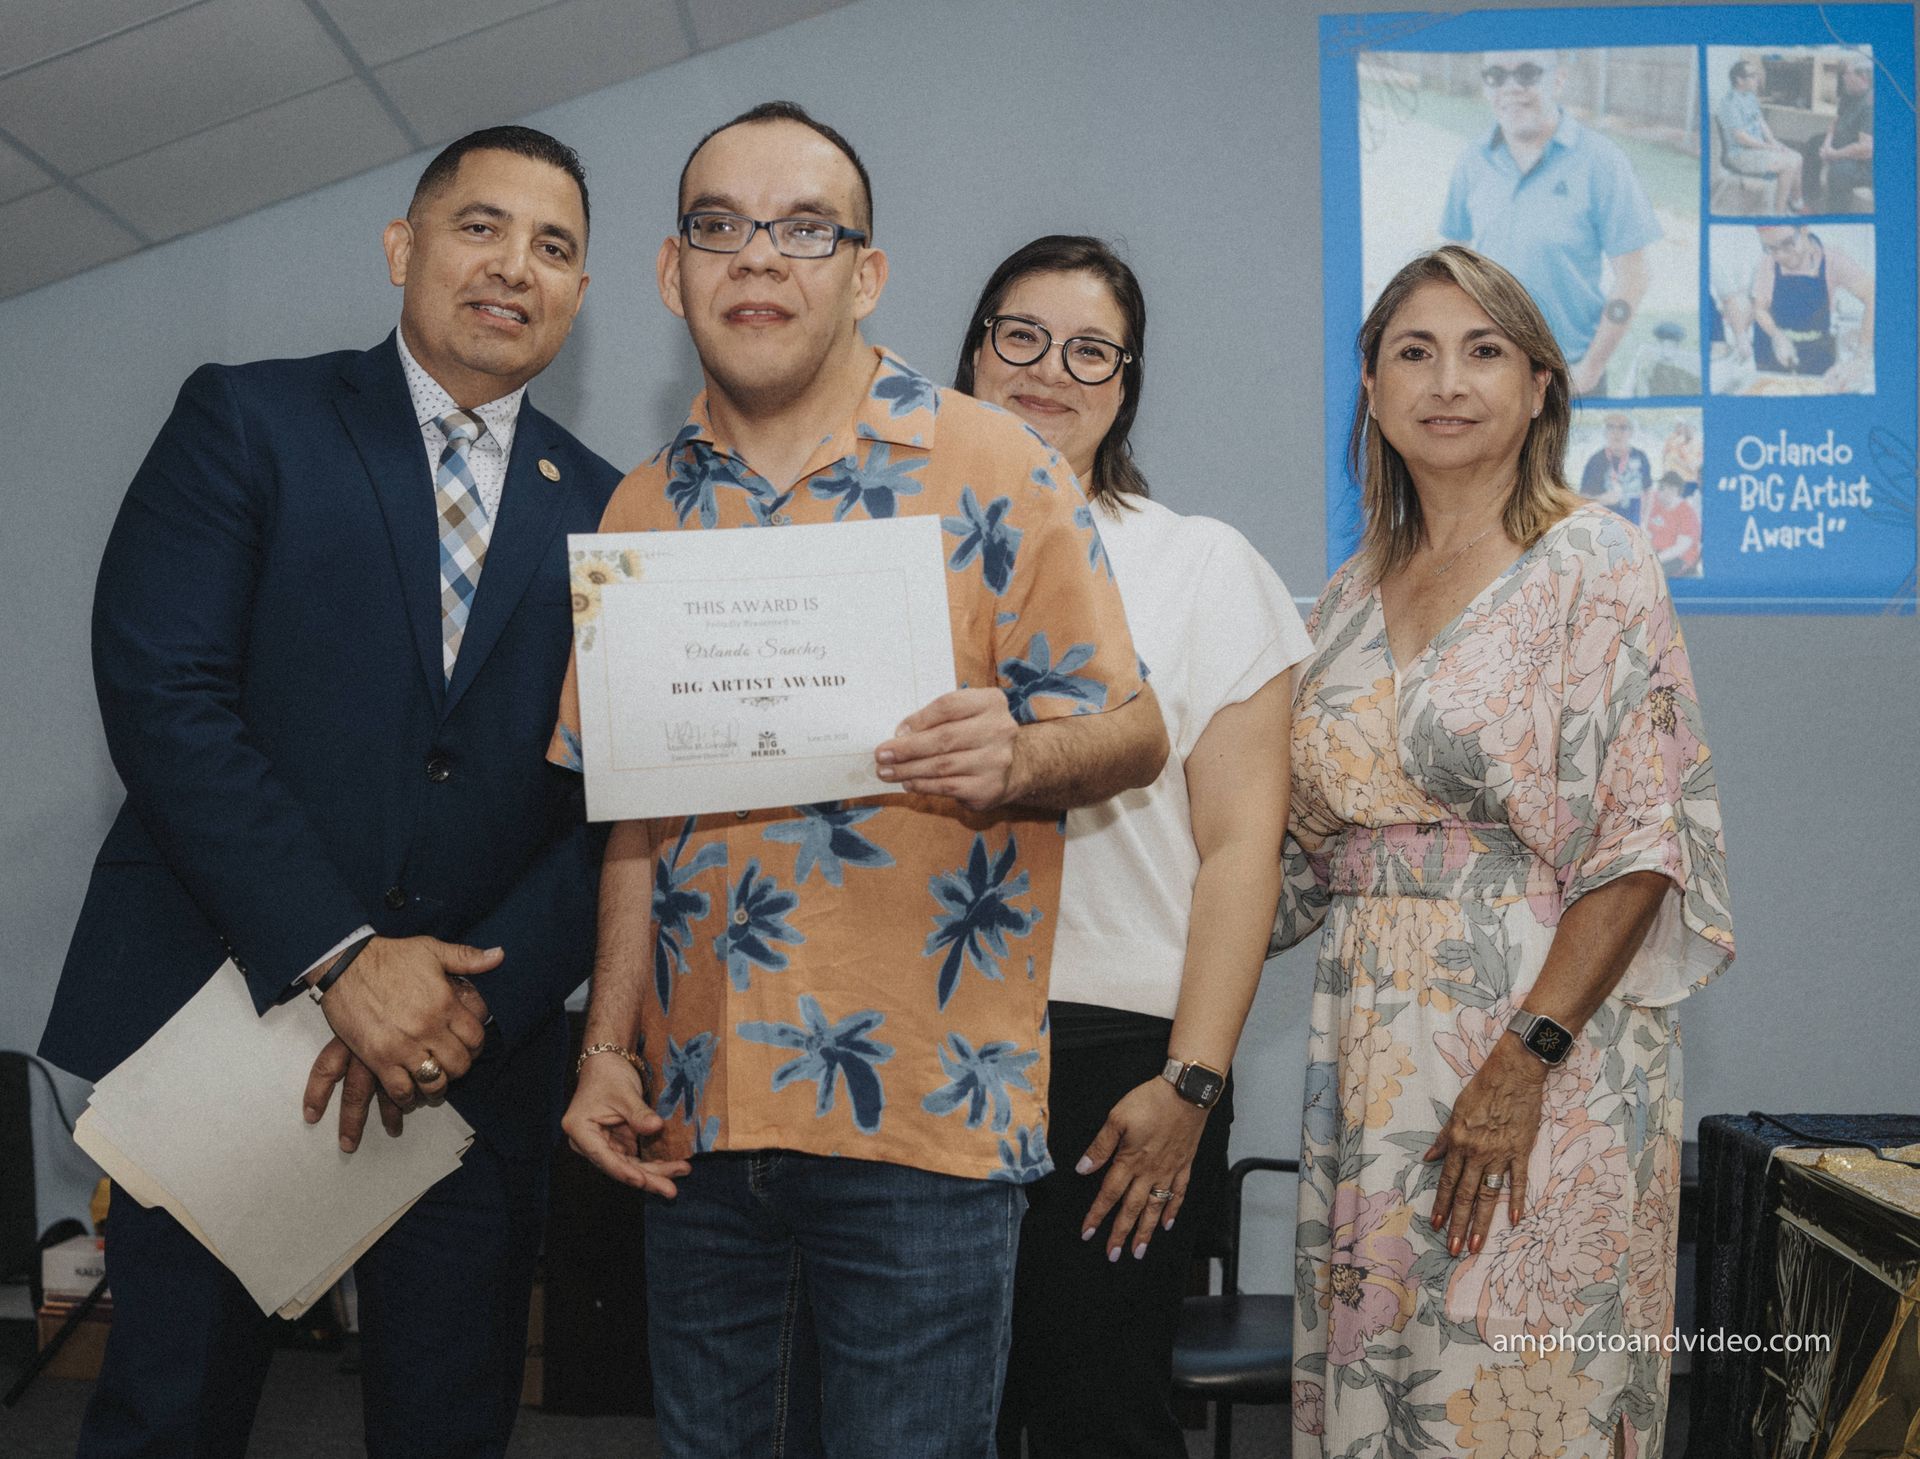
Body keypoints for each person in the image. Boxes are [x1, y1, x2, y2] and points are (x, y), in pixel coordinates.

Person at [552, 105, 1167, 1458]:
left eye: (806, 229)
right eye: (720, 225)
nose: (758, 257)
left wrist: (1021, 752)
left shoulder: (997, 463)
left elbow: (1133, 732)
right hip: (696, 1121)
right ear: (672, 271)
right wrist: (605, 1048)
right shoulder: (641, 511)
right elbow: (633, 821)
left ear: (867, 273)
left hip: (923, 1122)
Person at [37, 126, 623, 1459]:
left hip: (468, 1063)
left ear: (581, 295)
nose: (515, 266)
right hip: (224, 1007)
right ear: (402, 247)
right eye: (480, 226)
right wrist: (342, 956)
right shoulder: (249, 420)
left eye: (553, 247)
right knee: (168, 1416)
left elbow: (615, 805)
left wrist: (464, 1005)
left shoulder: (613, 513)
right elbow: (164, 693)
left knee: (447, 1426)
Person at [1275, 245, 1733, 1458]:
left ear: (1539, 388)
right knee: (1390, 1388)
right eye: (1414, 352)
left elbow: (1642, 842)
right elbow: (1293, 855)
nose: (1447, 381)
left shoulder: (1597, 561)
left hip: (1539, 1047)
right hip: (1369, 1053)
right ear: (1371, 386)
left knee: (1516, 1395)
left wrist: (1525, 1058)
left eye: (1484, 351)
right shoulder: (1343, 599)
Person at [951, 237, 1313, 1458]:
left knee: (1100, 1419)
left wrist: (1192, 1084)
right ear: (973, 350)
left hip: (1122, 1061)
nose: (1049, 370)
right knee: (921, 1418)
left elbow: (1242, 849)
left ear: (1127, 383)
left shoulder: (1202, 564)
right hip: (918, 1033)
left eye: (1090, 351)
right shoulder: (885, 547)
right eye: (1021, 335)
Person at [1440, 49, 1659, 397]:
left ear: (1558, 79)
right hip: (1490, 380)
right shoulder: (1472, 159)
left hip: (1570, 378)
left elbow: (1634, 274)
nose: (1510, 87)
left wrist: (1591, 369)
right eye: (1495, 75)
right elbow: (1454, 256)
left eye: (1527, 73)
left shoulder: (1602, 161)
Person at [1750, 224, 1875, 390]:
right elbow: (1760, 309)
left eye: (1787, 244)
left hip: (1818, 354)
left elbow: (1873, 296)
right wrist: (1777, 336)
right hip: (1774, 357)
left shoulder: (1833, 259)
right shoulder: (1768, 263)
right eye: (1771, 248)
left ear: (1804, 229)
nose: (1780, 255)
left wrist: (1861, 358)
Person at [1714, 59, 1806, 214]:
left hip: (1757, 149)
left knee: (1797, 157)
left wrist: (1774, 143)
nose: (1758, 79)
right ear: (1739, 80)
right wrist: (1768, 147)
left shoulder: (1750, 97)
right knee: (1789, 164)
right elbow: (1741, 138)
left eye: (1757, 74)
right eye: (1753, 75)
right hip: (1740, 155)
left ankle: (1796, 203)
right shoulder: (1729, 103)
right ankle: (1779, 214)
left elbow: (1761, 123)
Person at [1803, 55, 1874, 211]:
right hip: (1843, 144)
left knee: (1839, 171)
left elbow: (1866, 149)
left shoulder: (1870, 104)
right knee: (1813, 143)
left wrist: (1834, 154)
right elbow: (1836, 122)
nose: (1843, 77)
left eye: (1847, 74)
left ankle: (1837, 213)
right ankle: (1810, 200)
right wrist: (1827, 145)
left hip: (1864, 162)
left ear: (1863, 77)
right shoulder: (1849, 94)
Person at [1577, 411, 1651, 524]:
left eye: (1622, 427)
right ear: (1605, 432)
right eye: (1611, 427)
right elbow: (1582, 499)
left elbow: (1648, 492)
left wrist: (1644, 523)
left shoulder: (1640, 457)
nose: (1616, 432)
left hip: (1632, 526)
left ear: (1631, 432)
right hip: (1603, 527)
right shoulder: (1595, 460)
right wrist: (1602, 500)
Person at [1646, 471, 1703, 577]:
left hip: (1680, 557)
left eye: (1672, 489)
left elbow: (1680, 548)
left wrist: (1655, 559)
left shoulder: (1686, 513)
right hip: (1656, 551)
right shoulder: (1653, 501)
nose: (1666, 493)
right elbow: (1645, 529)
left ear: (1678, 492)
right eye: (1664, 488)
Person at [1661, 418, 1703, 490]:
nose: (1688, 431)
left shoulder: (1699, 445)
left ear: (1694, 430)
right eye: (1686, 429)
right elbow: (1672, 458)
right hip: (1680, 481)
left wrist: (1693, 467)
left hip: (1693, 480)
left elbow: (1699, 462)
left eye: (1690, 429)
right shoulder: (1676, 443)